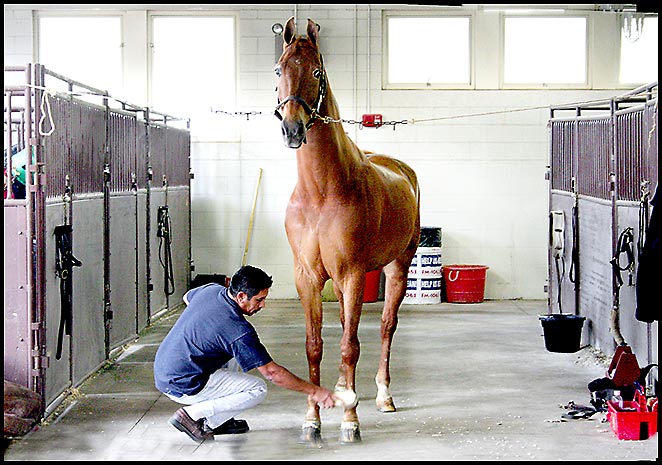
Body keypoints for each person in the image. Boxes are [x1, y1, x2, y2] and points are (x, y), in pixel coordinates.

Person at [153, 265, 337, 444]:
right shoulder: (238, 331)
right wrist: (315, 391)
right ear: (241, 296)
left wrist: (205, 323)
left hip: (165, 369)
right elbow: (272, 373)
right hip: (184, 384)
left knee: (235, 354)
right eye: (258, 300)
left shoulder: (211, 290)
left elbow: (188, 297)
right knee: (257, 389)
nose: (263, 305)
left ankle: (221, 420)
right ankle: (192, 417)